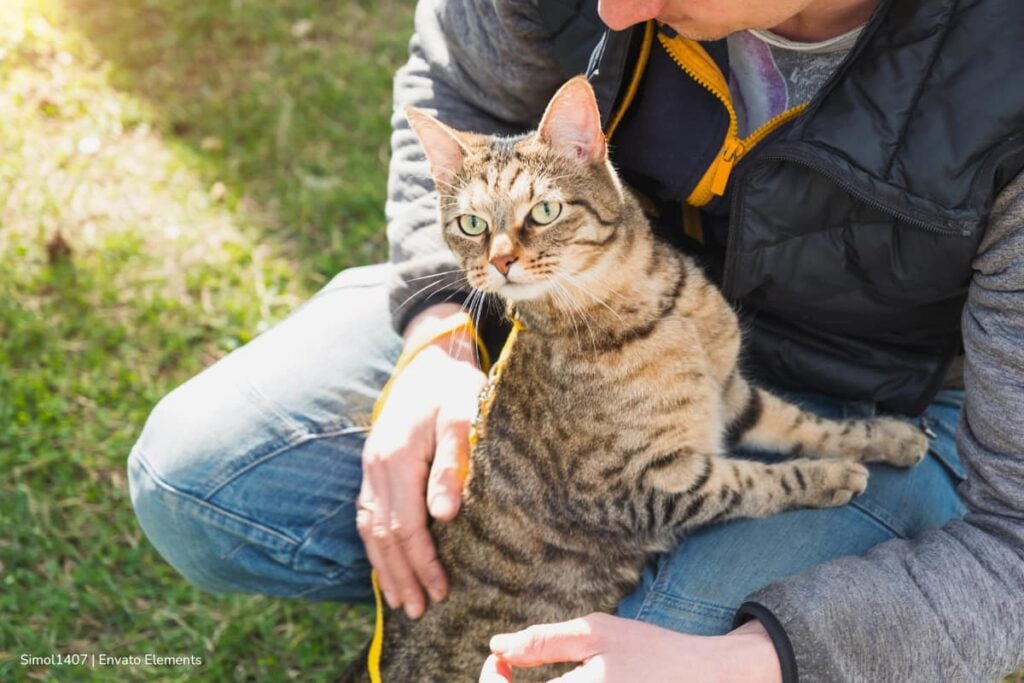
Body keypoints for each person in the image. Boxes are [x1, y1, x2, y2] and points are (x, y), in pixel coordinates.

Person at [127, 0, 1024, 680]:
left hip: (875, 385)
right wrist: (437, 335)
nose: (614, 13)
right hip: (562, 301)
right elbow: (459, 91)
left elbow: (1015, 543)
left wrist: (754, 658)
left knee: (673, 631)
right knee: (197, 480)